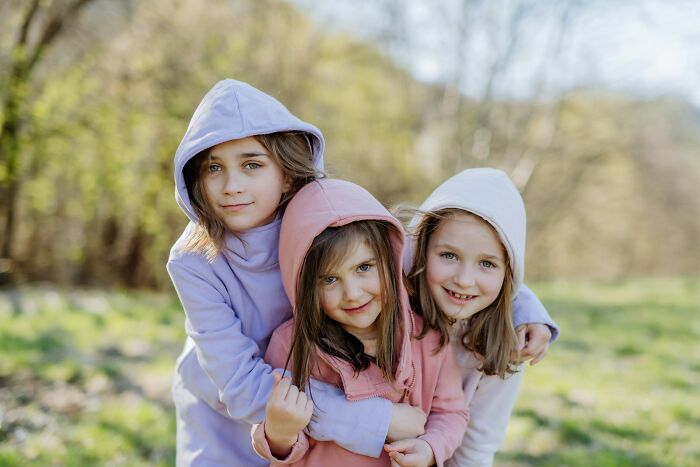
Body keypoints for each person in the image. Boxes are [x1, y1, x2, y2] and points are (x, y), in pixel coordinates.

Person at [167, 79, 426, 466]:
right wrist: (375, 420)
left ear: (287, 172)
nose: (231, 185)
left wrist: (521, 306)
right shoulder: (193, 260)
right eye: (213, 168)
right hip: (225, 410)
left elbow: (425, 261)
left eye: (252, 164)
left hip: (312, 408)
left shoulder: (323, 219)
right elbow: (240, 386)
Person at [252, 178, 469, 466]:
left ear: (390, 262)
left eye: (364, 268)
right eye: (330, 279)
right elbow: (280, 424)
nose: (352, 294)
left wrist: (431, 447)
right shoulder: (290, 344)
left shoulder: (426, 338)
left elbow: (451, 412)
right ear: (305, 288)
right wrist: (279, 434)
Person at [407, 168, 558, 466]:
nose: (464, 280)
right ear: (421, 250)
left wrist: (526, 306)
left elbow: (476, 446)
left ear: (508, 273)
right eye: (449, 255)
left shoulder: (506, 343)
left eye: (487, 264)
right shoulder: (388, 309)